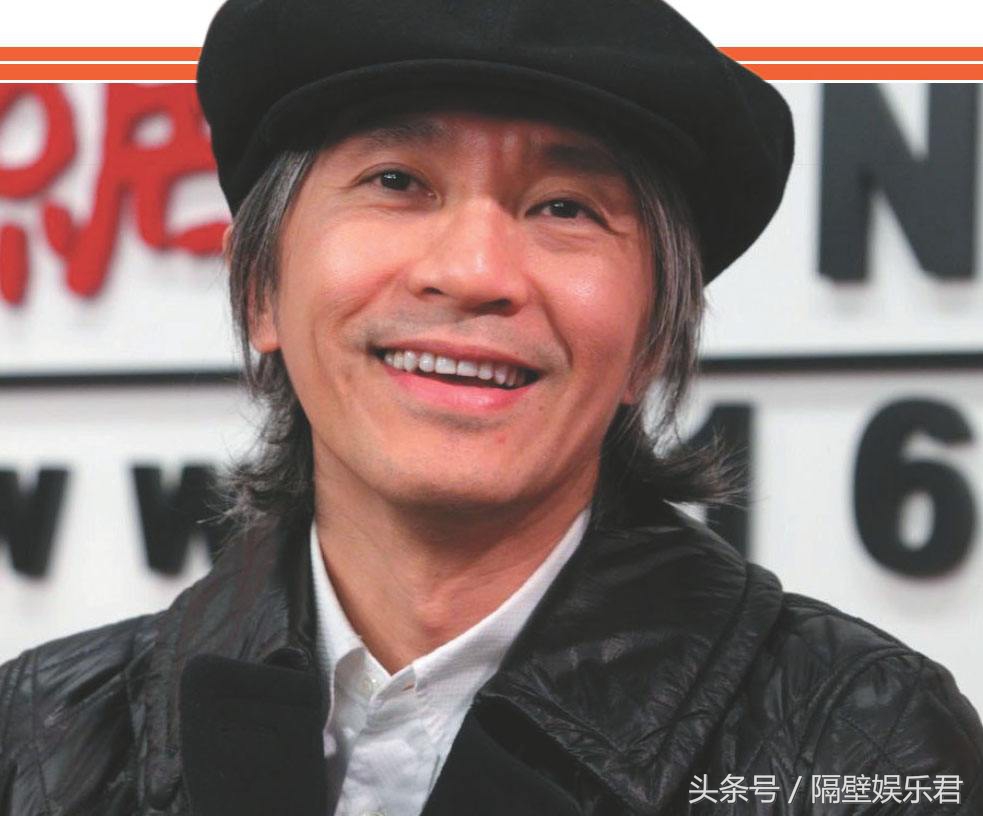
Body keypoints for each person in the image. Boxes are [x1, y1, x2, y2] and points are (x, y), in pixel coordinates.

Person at [2, 0, 981, 813]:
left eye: (564, 207)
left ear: (653, 336)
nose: (474, 272)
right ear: (260, 288)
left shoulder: (856, 740)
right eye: (396, 181)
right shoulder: (39, 735)